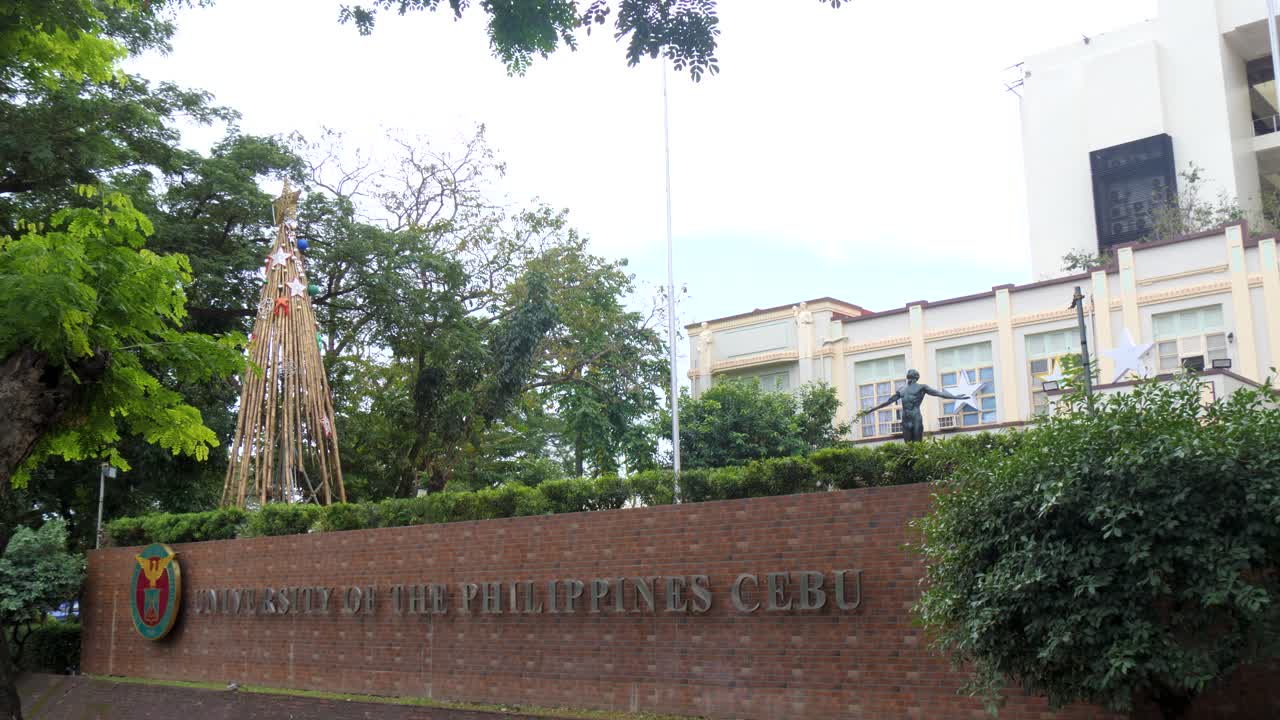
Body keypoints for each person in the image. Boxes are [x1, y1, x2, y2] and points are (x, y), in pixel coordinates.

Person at [856, 369, 969, 442]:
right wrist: (872, 410)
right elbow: (888, 401)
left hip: (915, 417)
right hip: (905, 418)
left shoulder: (921, 387)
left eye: (911, 376)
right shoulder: (902, 389)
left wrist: (956, 397)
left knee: (917, 443)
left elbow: (939, 393)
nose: (909, 378)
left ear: (915, 377)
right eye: (908, 376)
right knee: (908, 444)